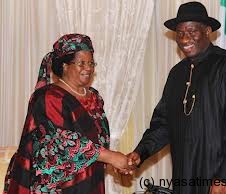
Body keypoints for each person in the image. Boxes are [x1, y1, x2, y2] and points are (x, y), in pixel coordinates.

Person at [126, 2, 226, 194]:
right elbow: (163, 124)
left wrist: (223, 178)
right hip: (185, 175)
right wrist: (140, 152)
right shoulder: (176, 74)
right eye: (180, 33)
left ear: (208, 30)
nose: (185, 37)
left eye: (192, 31)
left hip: (220, 177)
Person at [3, 33, 131, 194]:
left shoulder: (95, 97)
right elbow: (63, 140)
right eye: (81, 63)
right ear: (64, 66)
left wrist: (115, 162)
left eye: (91, 63)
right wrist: (111, 157)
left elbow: (98, 140)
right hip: (59, 186)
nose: (89, 68)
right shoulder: (48, 97)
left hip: (92, 181)